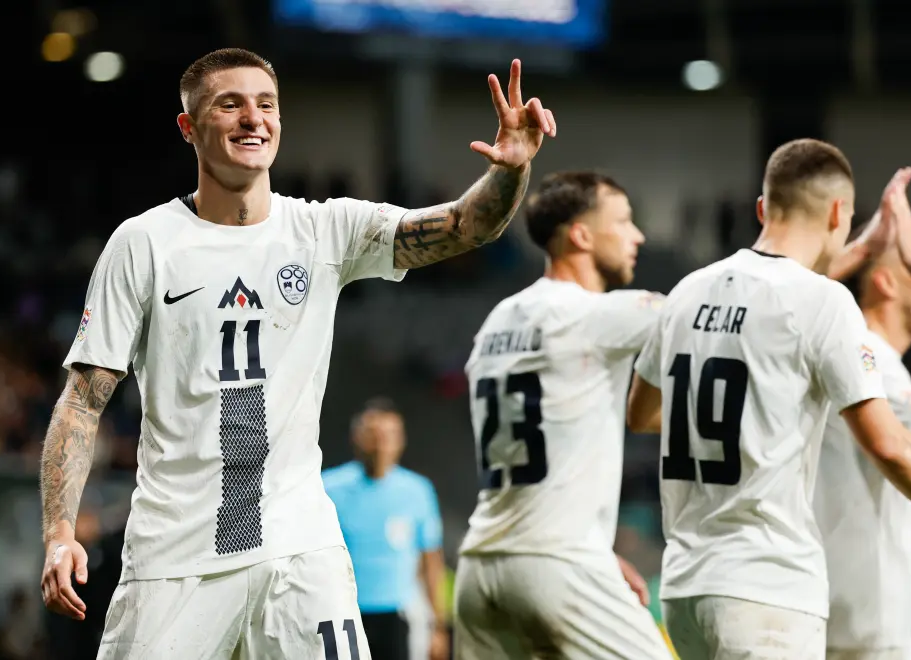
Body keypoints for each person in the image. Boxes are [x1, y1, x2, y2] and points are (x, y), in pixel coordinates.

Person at [38, 47, 556, 660]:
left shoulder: (324, 230)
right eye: (229, 104)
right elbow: (83, 400)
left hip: (297, 546)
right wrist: (59, 531)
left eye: (266, 105)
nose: (252, 118)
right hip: (177, 553)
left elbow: (464, 226)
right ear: (188, 127)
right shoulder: (144, 242)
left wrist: (511, 170)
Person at [626, 138, 911, 660]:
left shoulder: (686, 292)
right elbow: (890, 446)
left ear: (760, 208)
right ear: (840, 212)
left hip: (685, 588)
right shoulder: (824, 301)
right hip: (766, 592)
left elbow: (642, 414)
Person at [454, 170, 674, 659]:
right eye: (623, 221)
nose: (637, 235)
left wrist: (600, 550)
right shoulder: (594, 314)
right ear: (581, 235)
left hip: (481, 567)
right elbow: (697, 312)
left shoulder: (496, 322)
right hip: (555, 561)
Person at [816, 218, 911, 660]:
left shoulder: (860, 354)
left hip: (850, 630)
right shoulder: (869, 355)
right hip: (865, 639)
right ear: (886, 282)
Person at [323, 398, 448, 660]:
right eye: (373, 434)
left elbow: (431, 562)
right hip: (343, 614)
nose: (381, 443)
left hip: (399, 615)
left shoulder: (418, 491)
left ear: (401, 439)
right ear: (356, 437)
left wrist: (438, 626)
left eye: (389, 435)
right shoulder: (328, 488)